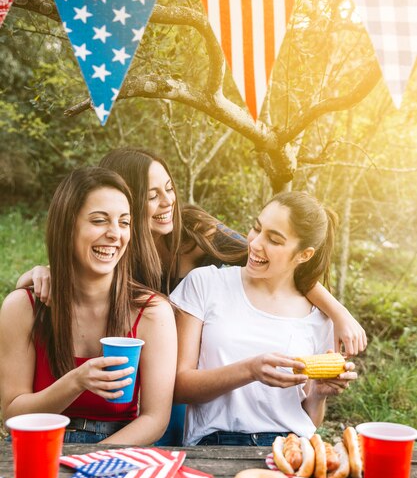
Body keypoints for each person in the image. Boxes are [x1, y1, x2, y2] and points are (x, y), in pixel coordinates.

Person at [15, 148, 366, 445]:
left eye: (169, 188)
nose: (167, 201)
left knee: (167, 407)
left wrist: (337, 312)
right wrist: (42, 271)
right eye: (152, 195)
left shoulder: (198, 231)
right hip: (142, 370)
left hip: (173, 366)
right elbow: (75, 268)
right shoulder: (116, 247)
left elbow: (267, 258)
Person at [0, 167, 177, 444]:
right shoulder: (22, 308)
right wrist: (76, 381)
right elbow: (13, 414)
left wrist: (91, 462)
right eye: (99, 220)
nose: (114, 234)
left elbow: (155, 419)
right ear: (67, 226)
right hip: (38, 446)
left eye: (124, 222)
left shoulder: (153, 313)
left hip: (116, 451)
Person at [171, 191, 358, 446]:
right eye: (256, 228)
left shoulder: (319, 318)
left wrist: (319, 395)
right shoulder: (206, 283)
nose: (255, 243)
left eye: (274, 239)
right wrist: (250, 370)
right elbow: (178, 387)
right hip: (215, 445)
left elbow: (309, 421)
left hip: (292, 446)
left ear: (304, 255)